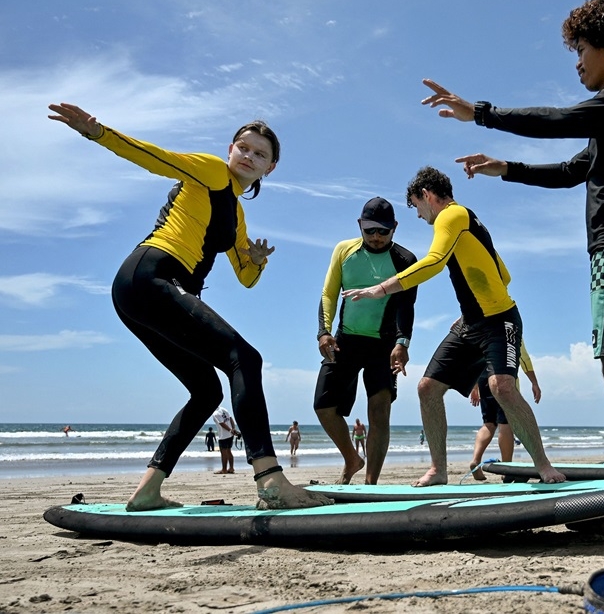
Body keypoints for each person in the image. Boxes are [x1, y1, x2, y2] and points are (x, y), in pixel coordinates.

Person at [420, 0, 604, 529]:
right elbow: (572, 169)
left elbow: (559, 120)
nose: (577, 61)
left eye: (583, 49)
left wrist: (481, 114)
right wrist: (508, 169)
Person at [47, 103, 328, 511]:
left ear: (270, 168)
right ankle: (270, 480)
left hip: (140, 290)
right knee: (244, 358)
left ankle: (147, 490)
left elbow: (246, 279)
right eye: (244, 148)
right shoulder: (211, 171)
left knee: (206, 390)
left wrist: (257, 261)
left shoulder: (236, 215)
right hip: (153, 273)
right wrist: (97, 132)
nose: (249, 157)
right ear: (230, 149)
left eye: (260, 154)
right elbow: (156, 158)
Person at [342, 167, 564, 487]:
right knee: (427, 388)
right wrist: (472, 309)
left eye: (417, 206)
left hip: (499, 320)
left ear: (427, 196)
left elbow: (434, 261)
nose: (419, 215)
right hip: (472, 323)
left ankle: (544, 466)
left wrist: (381, 288)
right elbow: (502, 273)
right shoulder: (469, 221)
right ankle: (438, 469)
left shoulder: (451, 216)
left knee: (501, 387)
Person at [313, 198, 417, 484]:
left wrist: (402, 343)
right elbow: (328, 294)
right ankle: (352, 458)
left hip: (384, 346)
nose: (376, 237)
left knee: (380, 410)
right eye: (370, 230)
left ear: (394, 228)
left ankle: (371, 483)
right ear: (360, 225)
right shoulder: (344, 250)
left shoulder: (406, 261)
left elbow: (406, 306)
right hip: (345, 341)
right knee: (323, 407)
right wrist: (323, 331)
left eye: (383, 231)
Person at [468, 339, 542, 480]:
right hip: (504, 378)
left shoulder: (484, 329)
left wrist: (475, 385)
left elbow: (474, 357)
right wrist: (534, 382)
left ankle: (475, 460)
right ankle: (507, 468)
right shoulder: (510, 328)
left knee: (488, 423)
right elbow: (524, 357)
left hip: (484, 378)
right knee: (506, 424)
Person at [211, 406, 240, 474]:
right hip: (230, 435)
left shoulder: (215, 413)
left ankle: (224, 469)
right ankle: (231, 468)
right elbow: (230, 419)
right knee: (228, 451)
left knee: (223, 452)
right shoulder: (223, 409)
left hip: (223, 435)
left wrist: (230, 430)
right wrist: (233, 429)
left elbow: (221, 424)